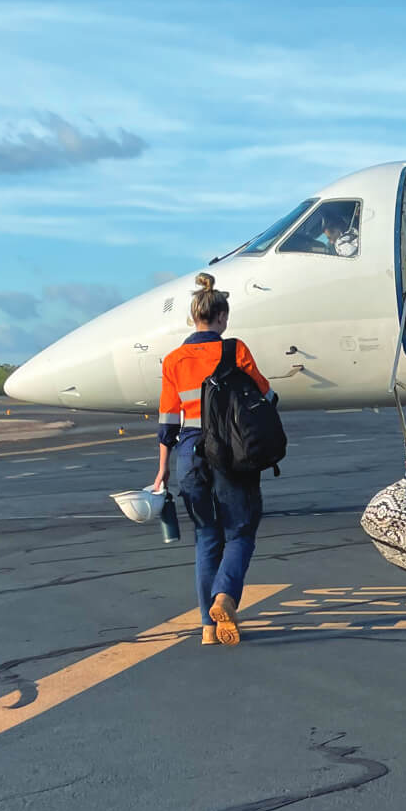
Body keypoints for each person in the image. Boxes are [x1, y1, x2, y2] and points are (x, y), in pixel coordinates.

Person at [151, 273, 271, 646]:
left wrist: (161, 471)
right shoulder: (235, 351)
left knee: (206, 535)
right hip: (230, 453)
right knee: (240, 531)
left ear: (193, 318)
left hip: (188, 453)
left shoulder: (173, 360)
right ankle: (225, 597)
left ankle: (207, 627)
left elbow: (167, 421)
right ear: (221, 317)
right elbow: (264, 394)